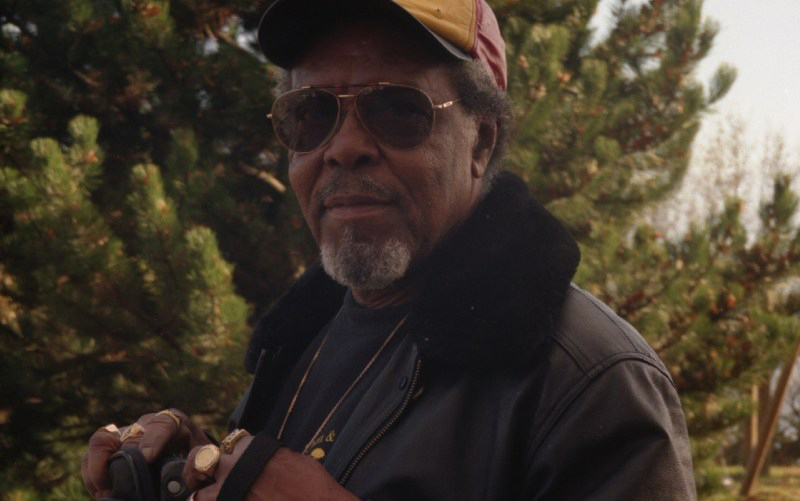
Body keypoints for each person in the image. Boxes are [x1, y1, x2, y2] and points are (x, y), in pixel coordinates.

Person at [81, 0, 697, 499]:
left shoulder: (593, 385)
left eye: (397, 109)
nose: (344, 146)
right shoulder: (301, 339)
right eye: (311, 114)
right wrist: (200, 467)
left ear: (481, 141)